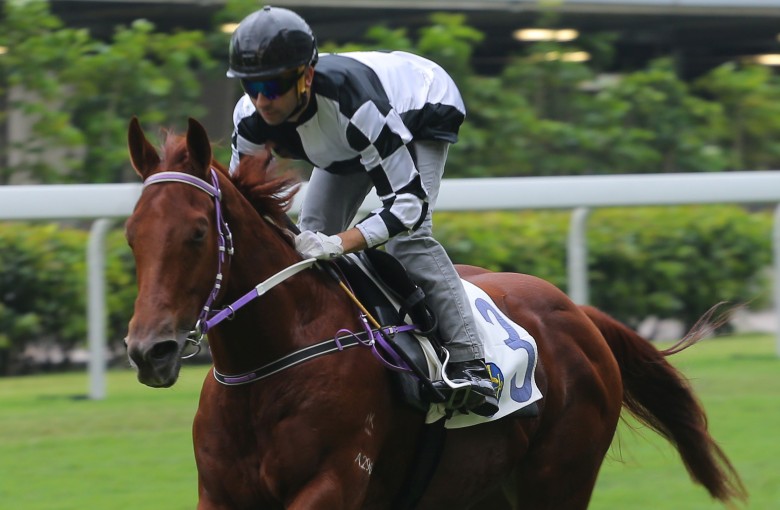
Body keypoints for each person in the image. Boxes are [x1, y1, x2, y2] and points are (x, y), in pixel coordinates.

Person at [226, 5, 498, 417]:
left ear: (307, 76)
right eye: (251, 85)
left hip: (419, 104)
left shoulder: (356, 106)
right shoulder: (249, 120)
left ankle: (473, 364)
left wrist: (340, 243)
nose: (263, 98)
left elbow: (407, 205)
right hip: (345, 141)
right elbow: (240, 209)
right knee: (306, 240)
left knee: (409, 240)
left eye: (274, 84)